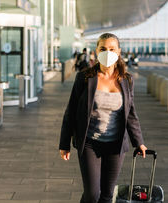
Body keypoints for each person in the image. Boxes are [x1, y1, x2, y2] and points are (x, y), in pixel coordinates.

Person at [59, 33, 147, 203]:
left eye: (112, 49)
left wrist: (139, 142)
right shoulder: (85, 77)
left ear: (119, 52)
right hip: (90, 142)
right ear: (97, 51)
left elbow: (130, 114)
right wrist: (64, 144)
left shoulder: (126, 80)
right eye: (103, 49)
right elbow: (71, 111)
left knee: (107, 195)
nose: (108, 52)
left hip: (115, 145)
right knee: (92, 194)